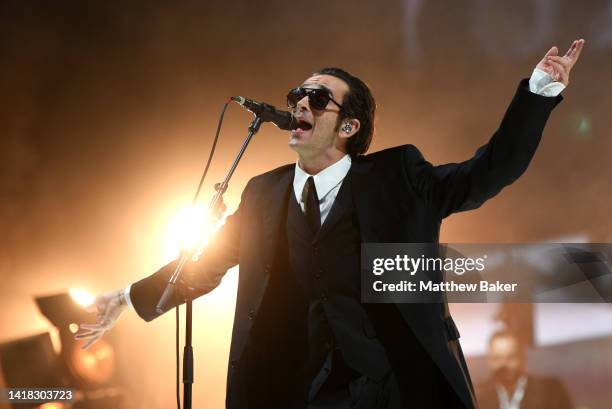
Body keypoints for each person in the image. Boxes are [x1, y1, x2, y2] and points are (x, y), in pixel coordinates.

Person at [75, 40, 585, 409]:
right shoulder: (263, 192)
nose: (301, 102)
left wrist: (538, 94)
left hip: (394, 390)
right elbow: (203, 265)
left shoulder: (398, 175)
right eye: (300, 93)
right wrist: (125, 298)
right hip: (299, 391)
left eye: (319, 98)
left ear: (348, 127)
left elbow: (487, 172)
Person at [477, 330, 573, 409]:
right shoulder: (478, 397)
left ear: (522, 358)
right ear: (489, 360)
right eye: (497, 358)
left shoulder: (550, 390)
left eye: (510, 357)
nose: (504, 364)